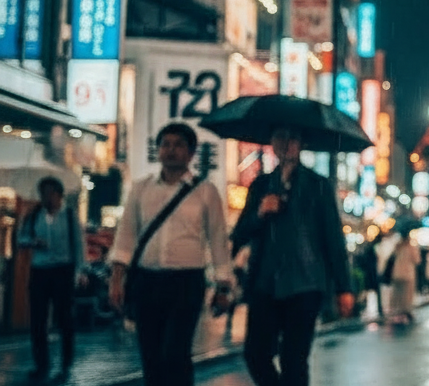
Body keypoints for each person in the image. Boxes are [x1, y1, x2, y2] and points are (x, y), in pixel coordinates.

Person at [110, 123, 232, 386]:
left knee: (175, 353)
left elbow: (218, 241)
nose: (171, 150)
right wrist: (117, 279)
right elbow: (126, 235)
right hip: (146, 281)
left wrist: (223, 287)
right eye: (165, 144)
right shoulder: (141, 189)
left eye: (178, 145)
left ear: (191, 153)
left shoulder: (205, 191)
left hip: (186, 283)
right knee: (150, 355)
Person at [232, 127, 354, 386]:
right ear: (272, 143)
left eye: (292, 138)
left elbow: (333, 238)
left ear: (302, 143)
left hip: (305, 283)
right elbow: (240, 233)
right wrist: (260, 214)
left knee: (294, 359)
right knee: (255, 354)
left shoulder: (318, 185)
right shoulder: (261, 184)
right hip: (265, 283)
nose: (286, 144)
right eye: (280, 137)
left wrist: (344, 288)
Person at [17, 176, 85, 381]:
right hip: (40, 271)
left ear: (59, 195)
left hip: (62, 271)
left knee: (65, 318)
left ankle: (65, 363)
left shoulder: (70, 216)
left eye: (51, 194)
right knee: (38, 319)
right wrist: (32, 242)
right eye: (44, 194)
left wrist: (80, 271)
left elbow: (79, 245)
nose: (47, 198)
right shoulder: (34, 215)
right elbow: (21, 239)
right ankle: (41, 364)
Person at [386, 230, 420, 323]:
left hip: (397, 273)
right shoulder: (412, 247)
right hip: (408, 273)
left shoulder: (398, 246)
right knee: (407, 294)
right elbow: (417, 260)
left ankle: (396, 311)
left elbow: (392, 256)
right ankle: (406, 311)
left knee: (397, 294)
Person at [357, 228, 385, 320]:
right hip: (374, 272)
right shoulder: (375, 247)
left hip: (371, 273)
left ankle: (374, 308)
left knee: (371, 291)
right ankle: (375, 309)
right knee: (374, 291)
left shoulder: (370, 247)